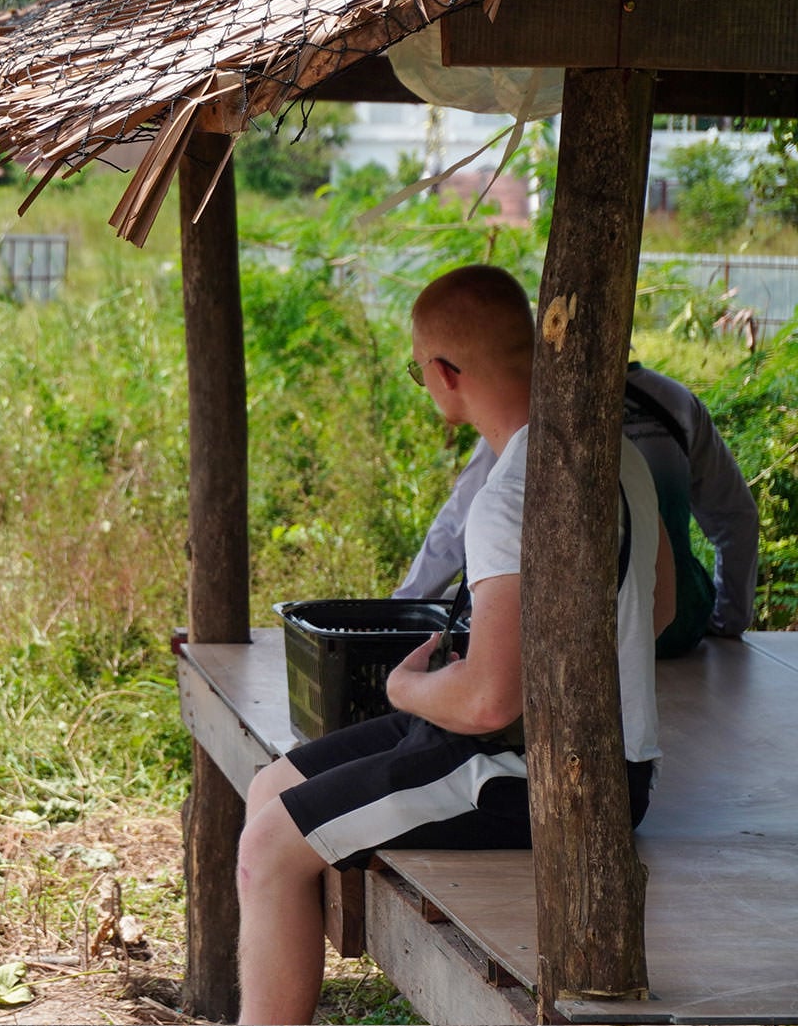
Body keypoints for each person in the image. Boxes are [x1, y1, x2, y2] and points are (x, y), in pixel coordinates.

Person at [235, 265, 673, 1025]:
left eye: (418, 369)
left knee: (269, 845)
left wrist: (407, 689)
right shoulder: (617, 454)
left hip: (534, 774)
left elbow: (486, 698)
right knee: (271, 787)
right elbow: (660, 608)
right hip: (596, 757)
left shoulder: (508, 497)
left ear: (443, 374)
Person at [396, 360, 758, 657]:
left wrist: (397, 616)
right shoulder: (676, 401)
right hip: (676, 623)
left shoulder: (533, 413)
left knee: (461, 599)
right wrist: (728, 622)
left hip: (576, 639)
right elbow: (736, 517)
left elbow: (454, 529)